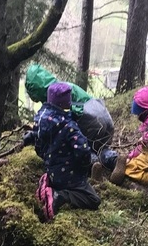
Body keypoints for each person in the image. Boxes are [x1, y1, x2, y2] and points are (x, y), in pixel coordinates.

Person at [24, 64, 118, 171]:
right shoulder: (63, 86)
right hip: (103, 113)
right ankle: (114, 160)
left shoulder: (54, 95)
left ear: (35, 90)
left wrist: (35, 135)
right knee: (101, 148)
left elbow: (58, 125)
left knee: (75, 147)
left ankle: (93, 164)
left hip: (89, 119)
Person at [32, 82, 101, 222]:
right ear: (68, 102)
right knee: (93, 200)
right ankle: (58, 196)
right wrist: (84, 167)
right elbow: (83, 151)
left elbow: (37, 146)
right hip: (69, 177)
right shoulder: (69, 126)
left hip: (51, 169)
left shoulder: (41, 120)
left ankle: (48, 182)